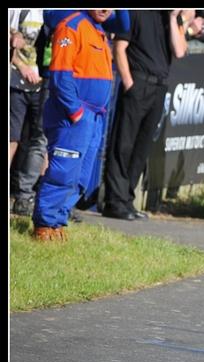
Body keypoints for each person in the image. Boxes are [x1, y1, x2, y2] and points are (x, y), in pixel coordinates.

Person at [30, 10, 115, 241]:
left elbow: (125, 20)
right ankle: (44, 224)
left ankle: (58, 222)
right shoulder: (71, 26)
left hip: (95, 117)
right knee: (63, 171)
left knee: (82, 177)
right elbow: (60, 75)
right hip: (74, 115)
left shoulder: (99, 30)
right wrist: (76, 112)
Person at [102, 10, 187, 221]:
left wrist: (172, 18)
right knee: (123, 144)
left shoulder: (173, 19)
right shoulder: (136, 12)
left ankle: (127, 199)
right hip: (138, 82)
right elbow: (119, 48)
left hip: (159, 87)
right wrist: (129, 83)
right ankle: (114, 201)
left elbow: (179, 51)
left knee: (142, 147)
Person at [9, 9, 44, 216]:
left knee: (41, 140)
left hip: (43, 84)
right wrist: (21, 66)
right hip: (16, 81)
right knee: (11, 138)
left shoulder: (50, 14)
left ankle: (31, 196)